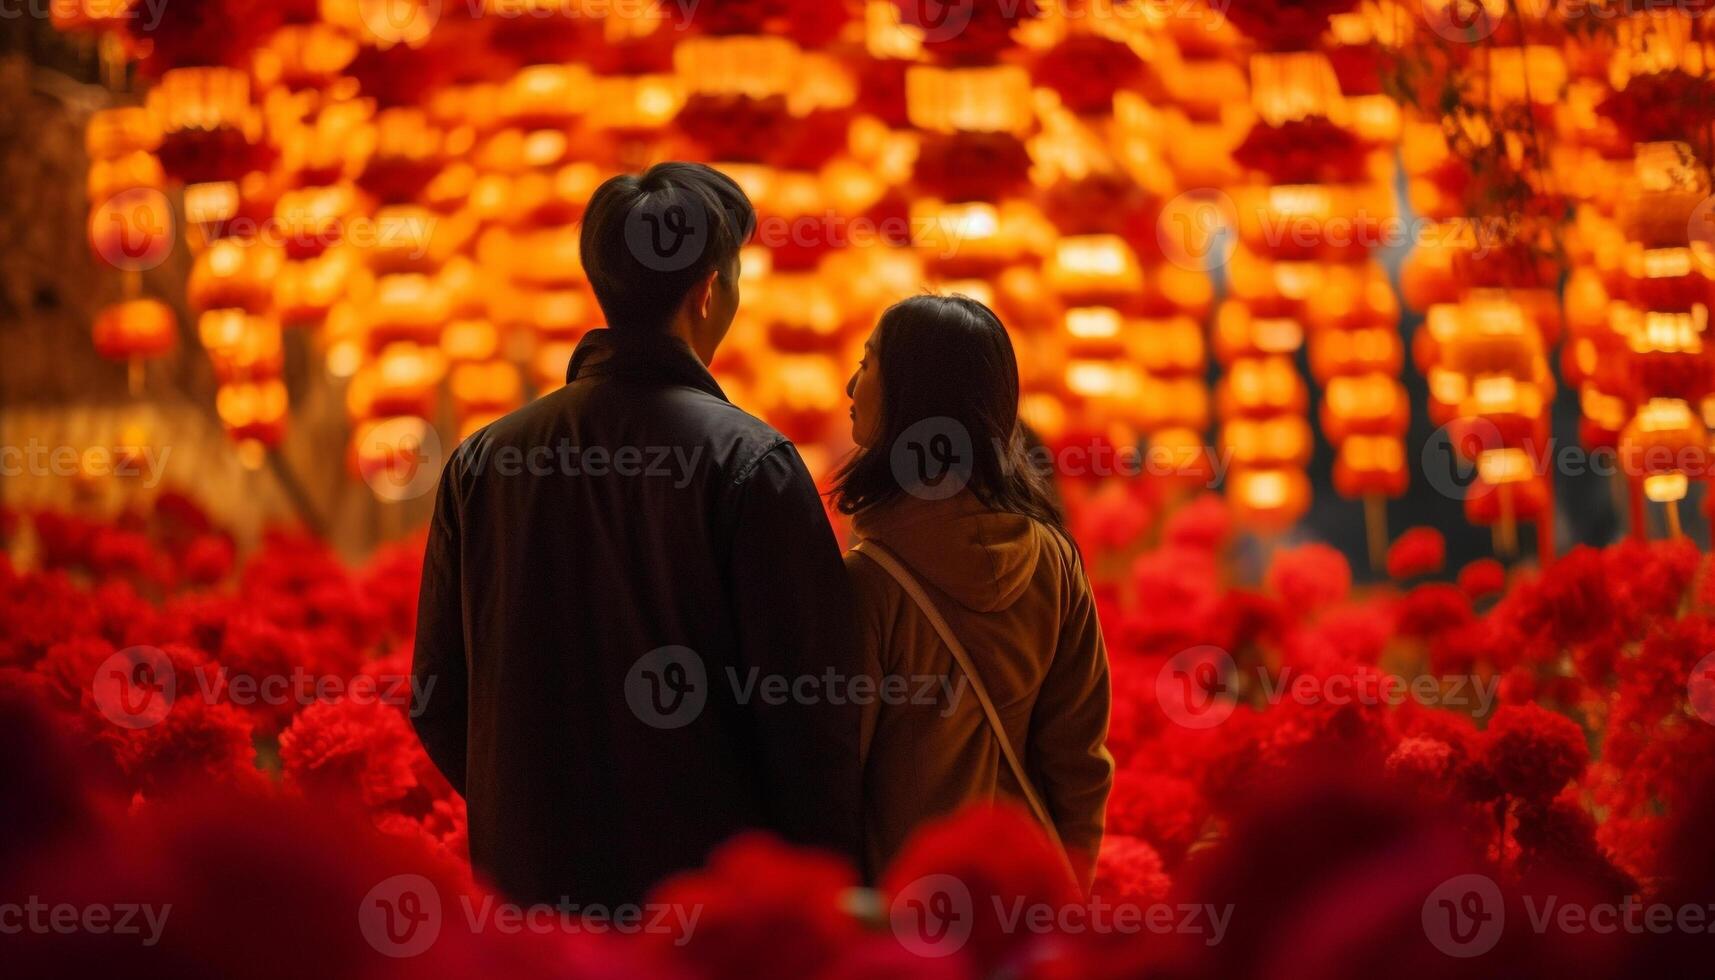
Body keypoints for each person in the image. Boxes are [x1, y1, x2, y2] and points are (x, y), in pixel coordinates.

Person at [411, 162, 864, 906]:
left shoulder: (482, 463)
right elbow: (812, 721)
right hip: (710, 914)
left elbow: (438, 698)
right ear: (709, 292)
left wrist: (538, 807)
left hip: (534, 912)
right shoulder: (752, 464)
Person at [838, 294, 1113, 889]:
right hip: (1024, 901)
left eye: (868, 363)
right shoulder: (1055, 559)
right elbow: (1080, 762)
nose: (849, 384)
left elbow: (839, 777)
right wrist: (1068, 896)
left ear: (912, 396)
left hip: (910, 912)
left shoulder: (869, 582)